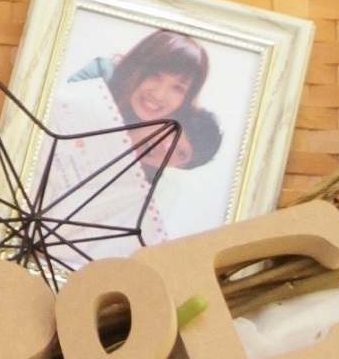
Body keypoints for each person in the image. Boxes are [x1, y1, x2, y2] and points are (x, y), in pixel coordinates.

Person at [35, 27, 224, 248]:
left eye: (178, 88)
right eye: (154, 75)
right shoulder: (101, 76)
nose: (159, 94)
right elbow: (48, 119)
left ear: (186, 100)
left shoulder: (148, 176)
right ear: (137, 66)